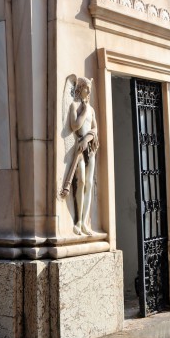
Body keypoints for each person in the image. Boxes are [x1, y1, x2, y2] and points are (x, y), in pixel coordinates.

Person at [68, 77, 99, 235]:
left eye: (90, 88)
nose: (89, 91)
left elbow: (95, 129)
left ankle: (85, 221)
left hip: (90, 149)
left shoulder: (92, 110)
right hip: (79, 148)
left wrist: (88, 138)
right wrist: (84, 111)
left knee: (89, 184)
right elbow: (75, 125)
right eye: (87, 88)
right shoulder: (75, 106)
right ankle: (78, 221)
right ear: (80, 88)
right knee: (80, 181)